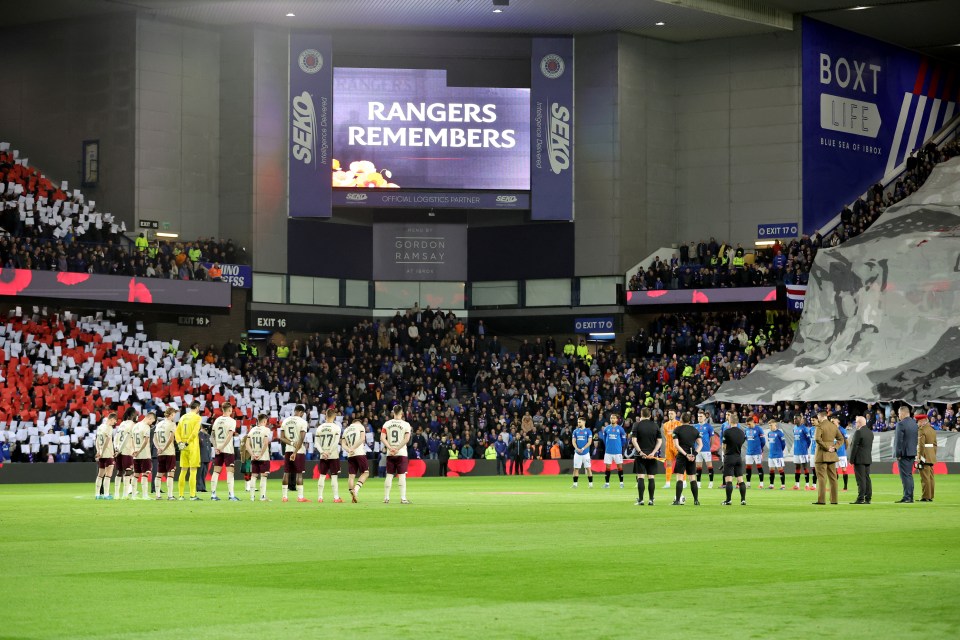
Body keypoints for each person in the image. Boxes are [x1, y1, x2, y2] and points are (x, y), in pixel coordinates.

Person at [630, 407, 662, 506]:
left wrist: (640, 452)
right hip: (651, 456)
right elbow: (659, 441)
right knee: (651, 477)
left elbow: (634, 440)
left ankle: (641, 500)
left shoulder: (636, 425)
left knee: (640, 477)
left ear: (641, 415)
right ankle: (651, 500)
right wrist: (653, 453)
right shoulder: (655, 425)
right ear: (650, 415)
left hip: (640, 456)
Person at [381, 405, 412, 504]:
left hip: (390, 453)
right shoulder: (406, 424)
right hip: (401, 453)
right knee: (402, 475)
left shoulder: (387, 424)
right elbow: (406, 439)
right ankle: (403, 498)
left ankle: (386, 498)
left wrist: (390, 448)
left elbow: (382, 438)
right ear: (401, 413)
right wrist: (397, 448)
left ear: (393, 412)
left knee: (389, 475)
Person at [278, 404, 310, 503]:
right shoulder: (303, 422)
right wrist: (295, 452)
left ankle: (284, 497)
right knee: (299, 474)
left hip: (288, 450)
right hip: (299, 451)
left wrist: (291, 443)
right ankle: (300, 497)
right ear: (301, 412)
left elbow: (282, 437)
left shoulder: (286, 421)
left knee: (286, 472)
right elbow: (301, 438)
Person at [812, 411, 844, 505]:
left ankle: (821, 500)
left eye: (818, 417)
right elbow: (841, 439)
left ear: (820, 416)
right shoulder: (833, 426)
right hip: (832, 455)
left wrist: (826, 447)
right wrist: (834, 447)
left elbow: (817, 439)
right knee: (833, 478)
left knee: (822, 478)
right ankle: (834, 500)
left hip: (822, 455)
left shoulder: (820, 426)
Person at [209, 402, 239, 501]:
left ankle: (213, 495)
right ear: (230, 410)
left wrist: (216, 447)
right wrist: (221, 447)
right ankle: (231, 495)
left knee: (216, 472)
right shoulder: (231, 421)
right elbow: (230, 435)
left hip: (218, 450)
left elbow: (212, 436)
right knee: (230, 472)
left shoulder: (217, 420)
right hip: (227, 450)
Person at [671, 413, 701, 506]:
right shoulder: (695, 430)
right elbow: (700, 444)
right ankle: (696, 500)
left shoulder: (677, 430)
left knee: (679, 477)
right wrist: (694, 454)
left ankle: (677, 500)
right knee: (692, 478)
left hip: (682, 456)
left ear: (681, 420)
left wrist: (685, 454)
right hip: (692, 456)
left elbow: (676, 445)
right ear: (689, 420)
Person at [174, 400, 203, 501]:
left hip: (183, 446)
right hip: (192, 445)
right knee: (193, 470)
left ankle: (181, 495)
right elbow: (195, 432)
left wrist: (179, 443)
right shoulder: (197, 417)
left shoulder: (182, 417)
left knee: (183, 470)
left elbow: (176, 432)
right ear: (197, 407)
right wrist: (188, 442)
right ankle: (192, 495)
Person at [315, 408, 343, 503]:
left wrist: (323, 452)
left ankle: (320, 497)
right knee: (334, 476)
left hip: (323, 455)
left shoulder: (319, 428)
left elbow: (316, 443)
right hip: (333, 455)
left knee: (322, 475)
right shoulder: (336, 428)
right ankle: (336, 498)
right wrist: (329, 452)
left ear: (325, 416)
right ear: (334, 416)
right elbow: (335, 442)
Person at [893, 406, 918, 503]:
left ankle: (907, 497)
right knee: (909, 475)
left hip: (903, 453)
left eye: (899, 413)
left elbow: (899, 440)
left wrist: (898, 454)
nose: (898, 416)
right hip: (912, 452)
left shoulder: (901, 424)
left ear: (903, 413)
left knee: (905, 476)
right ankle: (909, 496)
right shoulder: (914, 423)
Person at [341, 417, 369, 502]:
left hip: (350, 455)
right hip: (359, 452)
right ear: (358, 423)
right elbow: (362, 439)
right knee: (365, 473)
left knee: (351, 476)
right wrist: (353, 448)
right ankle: (355, 490)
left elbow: (343, 444)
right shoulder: (360, 427)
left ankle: (352, 496)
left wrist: (349, 449)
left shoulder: (346, 430)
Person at [847, 415, 873, 504]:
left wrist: (851, 460)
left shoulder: (858, 432)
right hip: (867, 458)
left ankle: (860, 498)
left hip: (859, 459)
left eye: (856, 422)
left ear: (860, 423)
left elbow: (854, 447)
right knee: (867, 478)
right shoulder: (870, 432)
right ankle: (868, 498)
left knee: (860, 479)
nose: (855, 423)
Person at [720, 419, 747, 506]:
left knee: (728, 480)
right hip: (738, 457)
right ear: (737, 422)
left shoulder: (727, 432)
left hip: (729, 457)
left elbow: (724, 446)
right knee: (740, 479)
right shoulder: (742, 432)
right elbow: (741, 443)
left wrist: (725, 454)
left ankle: (728, 500)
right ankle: (743, 500)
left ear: (730, 422)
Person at [246, 414, 272, 501]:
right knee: (264, 476)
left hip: (254, 457)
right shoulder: (266, 430)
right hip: (263, 457)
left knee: (254, 476)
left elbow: (247, 445)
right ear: (264, 421)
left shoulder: (252, 430)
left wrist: (252, 454)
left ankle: (252, 497)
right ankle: (262, 497)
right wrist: (260, 454)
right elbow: (265, 443)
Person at [153, 408, 178, 500]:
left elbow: (154, 439)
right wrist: (164, 448)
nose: (175, 416)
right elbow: (171, 438)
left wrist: (158, 448)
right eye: (174, 414)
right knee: (170, 473)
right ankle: (170, 495)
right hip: (169, 452)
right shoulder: (171, 424)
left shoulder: (159, 424)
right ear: (171, 414)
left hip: (160, 453)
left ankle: (157, 495)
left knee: (159, 474)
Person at [131, 412, 157, 500]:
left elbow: (132, 439)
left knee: (136, 474)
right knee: (145, 474)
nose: (152, 423)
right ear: (149, 418)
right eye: (152, 421)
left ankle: (133, 495)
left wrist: (134, 450)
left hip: (135, 454)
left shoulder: (135, 426)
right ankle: (145, 495)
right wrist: (139, 451)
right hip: (144, 454)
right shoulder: (146, 427)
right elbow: (146, 441)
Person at [93, 412, 118, 499]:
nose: (114, 423)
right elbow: (107, 442)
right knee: (108, 475)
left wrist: (98, 451)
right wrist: (103, 452)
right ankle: (106, 494)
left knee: (100, 475)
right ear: (111, 419)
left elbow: (96, 440)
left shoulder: (100, 427)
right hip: (108, 454)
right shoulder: (109, 428)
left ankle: (97, 494)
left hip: (101, 455)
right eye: (115, 421)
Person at [114, 408, 138, 499]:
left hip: (119, 450)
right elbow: (127, 438)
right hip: (127, 450)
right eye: (135, 414)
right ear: (132, 415)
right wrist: (120, 449)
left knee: (119, 472)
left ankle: (116, 494)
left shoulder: (122, 424)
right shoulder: (132, 425)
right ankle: (125, 494)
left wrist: (116, 448)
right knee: (128, 471)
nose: (136, 415)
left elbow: (116, 437)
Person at [600, 413, 627, 489]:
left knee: (619, 467)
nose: (612, 419)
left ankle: (621, 483)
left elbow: (624, 440)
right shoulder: (606, 428)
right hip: (608, 451)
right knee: (607, 467)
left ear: (617, 419)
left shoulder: (620, 429)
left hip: (617, 451)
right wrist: (608, 445)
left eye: (614, 418)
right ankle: (607, 484)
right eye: (611, 418)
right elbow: (604, 439)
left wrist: (618, 446)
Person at [916, 414, 938, 502]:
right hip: (931, 456)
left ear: (922, 421)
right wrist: (932, 454)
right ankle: (930, 496)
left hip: (924, 456)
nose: (917, 423)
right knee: (931, 477)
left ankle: (925, 496)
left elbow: (921, 446)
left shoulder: (922, 430)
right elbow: (935, 445)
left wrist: (920, 458)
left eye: (918, 421)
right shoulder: (932, 430)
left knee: (925, 478)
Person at [694, 411, 715, 489]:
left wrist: (710, 447)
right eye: (698, 416)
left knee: (709, 466)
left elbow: (712, 438)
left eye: (701, 416)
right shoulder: (695, 426)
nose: (699, 417)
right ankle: (698, 483)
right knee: (698, 467)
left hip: (706, 450)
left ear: (705, 417)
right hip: (698, 450)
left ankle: (711, 482)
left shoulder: (708, 426)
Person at [571, 417, 594, 489]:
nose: (578, 423)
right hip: (577, 453)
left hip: (586, 453)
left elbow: (589, 442)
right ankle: (575, 484)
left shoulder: (588, 431)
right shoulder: (575, 431)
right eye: (578, 422)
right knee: (576, 469)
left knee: (588, 468)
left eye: (580, 422)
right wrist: (577, 448)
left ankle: (590, 484)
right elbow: (573, 441)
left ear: (584, 422)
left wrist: (583, 448)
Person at [765, 420, 787, 489]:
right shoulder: (769, 433)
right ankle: (771, 485)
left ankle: (783, 485)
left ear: (775, 424)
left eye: (771, 425)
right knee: (771, 470)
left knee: (780, 469)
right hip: (771, 455)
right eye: (769, 426)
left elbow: (783, 444)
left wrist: (780, 450)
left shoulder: (780, 433)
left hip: (778, 455)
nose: (770, 427)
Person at [744, 419, 766, 488]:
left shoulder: (759, 429)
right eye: (747, 424)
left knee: (759, 467)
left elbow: (763, 441)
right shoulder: (746, 430)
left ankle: (761, 483)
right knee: (748, 468)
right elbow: (746, 439)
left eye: (749, 424)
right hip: (749, 452)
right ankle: (748, 483)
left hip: (757, 452)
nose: (748, 425)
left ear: (752, 422)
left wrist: (760, 448)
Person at [792, 416, 812, 490]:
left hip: (803, 451)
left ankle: (807, 485)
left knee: (805, 467)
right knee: (797, 467)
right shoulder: (794, 428)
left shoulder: (804, 428)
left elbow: (809, 440)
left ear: (800, 420)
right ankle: (797, 485)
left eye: (796, 418)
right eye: (794, 419)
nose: (794, 420)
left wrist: (805, 447)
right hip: (796, 451)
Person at [662, 410, 680, 488]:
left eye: (672, 413)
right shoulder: (665, 425)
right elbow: (666, 436)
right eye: (669, 414)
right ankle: (668, 483)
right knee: (668, 464)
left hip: (677, 447)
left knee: (680, 464)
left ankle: (683, 481)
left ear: (675, 414)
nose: (670, 415)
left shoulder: (679, 424)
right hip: (668, 447)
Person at [835, 419, 850, 492]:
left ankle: (845, 487)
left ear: (838, 421)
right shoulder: (831, 430)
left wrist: (844, 449)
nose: (832, 422)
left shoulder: (842, 430)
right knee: (834, 471)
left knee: (843, 469)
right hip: (834, 453)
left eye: (833, 421)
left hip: (841, 454)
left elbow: (847, 442)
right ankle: (834, 486)